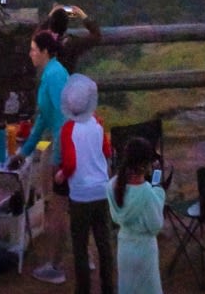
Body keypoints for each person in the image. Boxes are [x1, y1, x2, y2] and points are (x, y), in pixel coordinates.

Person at [13, 28, 71, 285]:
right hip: (63, 148)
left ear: (46, 52)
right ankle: (73, 257)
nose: (30, 54)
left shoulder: (55, 75)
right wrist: (24, 152)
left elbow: (63, 119)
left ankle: (56, 266)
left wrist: (61, 158)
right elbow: (44, 118)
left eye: (34, 49)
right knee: (65, 207)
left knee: (58, 210)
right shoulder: (51, 73)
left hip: (65, 150)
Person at [57, 73, 116, 294]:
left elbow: (70, 163)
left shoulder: (68, 130)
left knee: (80, 245)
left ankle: (83, 289)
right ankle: (108, 287)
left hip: (80, 195)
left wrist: (62, 174)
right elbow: (107, 152)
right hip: (101, 191)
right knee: (104, 243)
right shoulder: (98, 124)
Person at [109, 136, 165, 294]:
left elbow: (114, 217)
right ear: (146, 165)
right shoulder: (147, 193)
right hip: (145, 252)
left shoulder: (112, 186)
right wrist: (157, 179)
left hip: (124, 249)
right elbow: (156, 226)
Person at [43, 4, 103, 75]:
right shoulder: (73, 43)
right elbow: (96, 36)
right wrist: (82, 15)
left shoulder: (46, 41)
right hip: (67, 81)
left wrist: (51, 14)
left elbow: (37, 32)